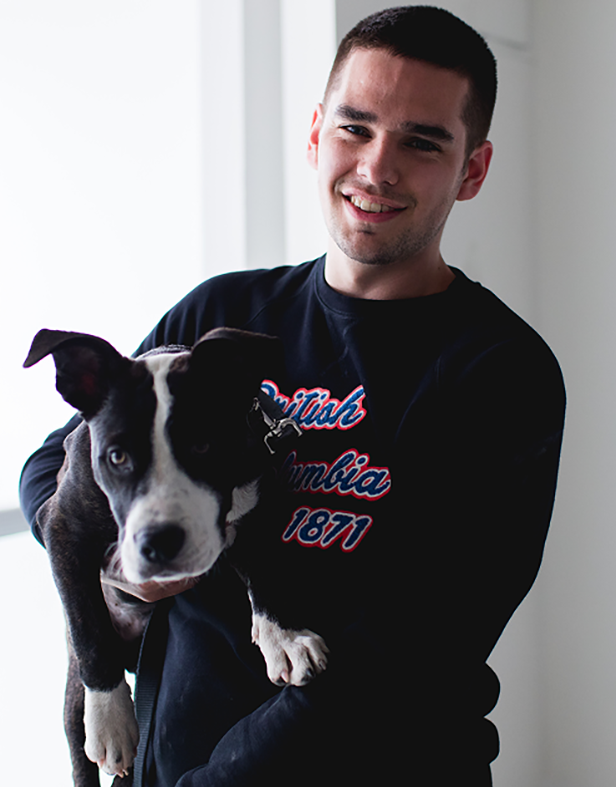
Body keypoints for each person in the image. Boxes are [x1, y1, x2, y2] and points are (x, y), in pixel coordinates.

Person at [20, 6, 565, 786]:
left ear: (471, 170)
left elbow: (413, 650)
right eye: (355, 128)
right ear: (315, 134)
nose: (376, 167)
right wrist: (118, 563)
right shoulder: (218, 314)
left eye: (420, 142)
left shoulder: (499, 371)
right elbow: (56, 466)